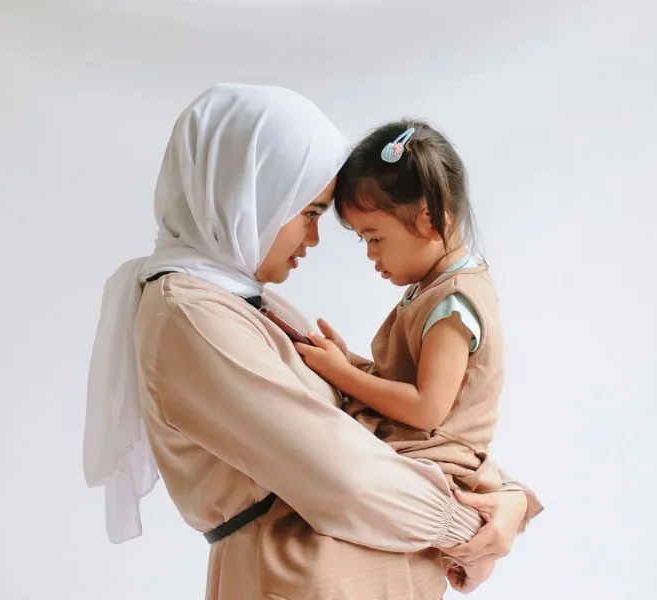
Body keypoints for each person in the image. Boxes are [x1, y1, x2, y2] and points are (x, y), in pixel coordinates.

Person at [83, 83, 539, 599]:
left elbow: (386, 421)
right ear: (252, 194)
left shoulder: (246, 302)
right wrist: (475, 530)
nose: (315, 239)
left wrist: (507, 498)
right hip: (305, 578)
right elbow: (344, 473)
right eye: (309, 213)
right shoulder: (190, 315)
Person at [296, 120, 543, 591]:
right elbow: (404, 379)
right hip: (421, 447)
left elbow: (427, 408)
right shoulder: (434, 287)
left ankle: (468, 542)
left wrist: (343, 375)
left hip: (439, 460)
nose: (370, 254)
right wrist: (348, 363)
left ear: (429, 219)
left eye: (375, 238)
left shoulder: (454, 304)